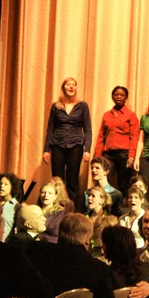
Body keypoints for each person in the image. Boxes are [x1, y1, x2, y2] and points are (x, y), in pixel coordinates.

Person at [43, 77, 92, 206]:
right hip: (57, 145)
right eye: (68, 84)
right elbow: (50, 128)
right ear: (63, 88)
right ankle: (57, 206)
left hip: (76, 145)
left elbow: (87, 129)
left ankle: (71, 207)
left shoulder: (82, 106)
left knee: (72, 178)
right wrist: (46, 150)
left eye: (73, 85)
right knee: (57, 178)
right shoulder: (56, 106)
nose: (71, 87)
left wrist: (87, 149)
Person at [94, 86, 139, 191]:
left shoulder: (131, 115)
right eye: (116, 94)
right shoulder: (106, 115)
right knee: (104, 181)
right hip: (108, 154)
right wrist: (98, 156)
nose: (119, 97)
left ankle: (123, 202)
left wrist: (131, 156)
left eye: (122, 95)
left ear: (126, 98)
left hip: (124, 154)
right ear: (112, 97)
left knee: (123, 184)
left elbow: (134, 137)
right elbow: (101, 136)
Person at [0, 172, 22, 242]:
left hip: (5, 243)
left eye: (5, 184)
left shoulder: (17, 207)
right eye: (0, 183)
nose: (1, 186)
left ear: (13, 187)